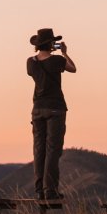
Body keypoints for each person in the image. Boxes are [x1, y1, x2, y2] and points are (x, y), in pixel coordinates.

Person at [27, 28, 77, 200]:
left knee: (39, 150)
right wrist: (65, 53)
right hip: (55, 108)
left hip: (37, 109)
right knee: (53, 150)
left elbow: (36, 68)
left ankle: (39, 190)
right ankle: (51, 190)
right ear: (51, 44)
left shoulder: (30, 62)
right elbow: (73, 68)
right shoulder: (57, 60)